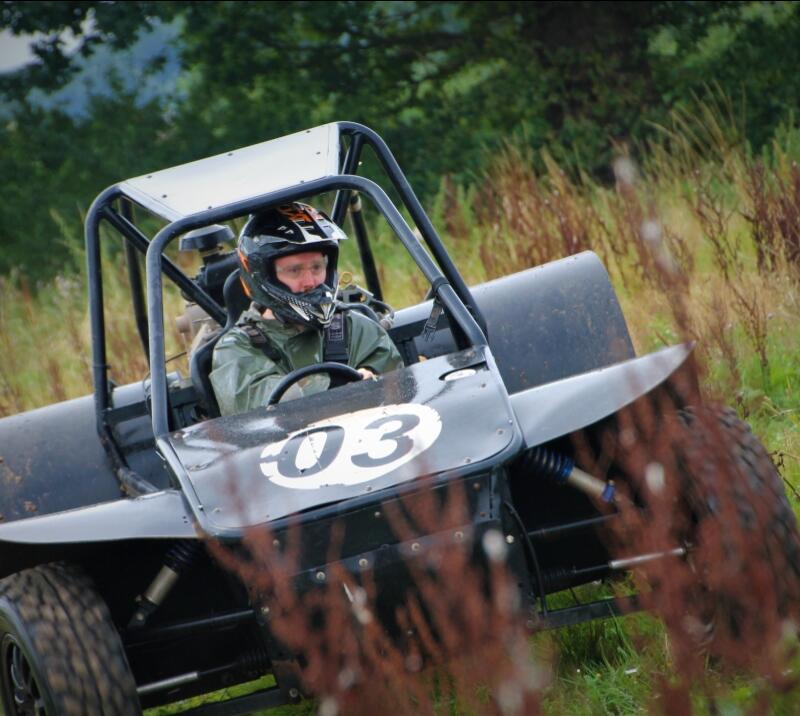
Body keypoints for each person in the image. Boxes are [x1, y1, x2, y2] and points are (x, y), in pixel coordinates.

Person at [209, 202, 403, 416]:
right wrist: (345, 388)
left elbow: (399, 391)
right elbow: (261, 407)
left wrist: (374, 379)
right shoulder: (235, 348)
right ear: (262, 275)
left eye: (317, 267)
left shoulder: (355, 326)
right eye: (294, 270)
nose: (310, 281)